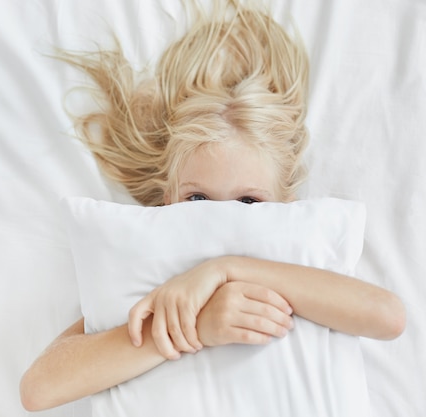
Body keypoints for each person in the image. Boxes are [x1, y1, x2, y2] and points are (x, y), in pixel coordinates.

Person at [20, 0, 406, 411]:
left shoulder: (298, 261)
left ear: (285, 206)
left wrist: (227, 270)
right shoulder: (146, 269)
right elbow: (39, 389)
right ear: (168, 202)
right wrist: (193, 327)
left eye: (249, 201)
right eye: (198, 199)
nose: (221, 218)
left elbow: (388, 317)